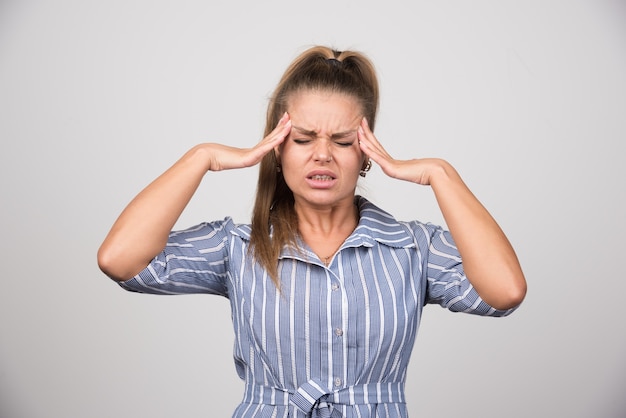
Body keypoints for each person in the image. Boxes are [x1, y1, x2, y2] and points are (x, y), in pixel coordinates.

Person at [97, 45, 527, 417]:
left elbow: (504, 292)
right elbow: (120, 260)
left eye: (342, 141)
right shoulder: (238, 247)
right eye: (303, 139)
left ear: (366, 154)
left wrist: (440, 173)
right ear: (277, 150)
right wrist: (202, 157)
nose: (322, 155)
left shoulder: (412, 248)